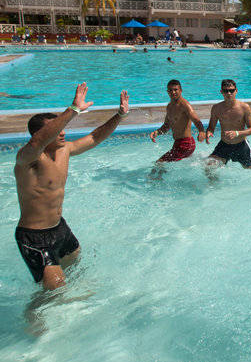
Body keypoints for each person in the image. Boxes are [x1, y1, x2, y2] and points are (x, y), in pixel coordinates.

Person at [14, 83, 129, 290]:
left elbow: (94, 137)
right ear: (41, 135)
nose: (63, 133)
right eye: (57, 129)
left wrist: (119, 116)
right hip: (34, 237)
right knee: (55, 291)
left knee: (77, 269)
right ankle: (36, 312)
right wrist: (73, 109)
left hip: (60, 228)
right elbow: (36, 143)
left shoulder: (64, 151)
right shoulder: (28, 159)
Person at [150, 80, 206, 163]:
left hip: (186, 144)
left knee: (160, 163)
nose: (173, 92)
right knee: (162, 163)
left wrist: (201, 131)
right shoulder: (169, 106)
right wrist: (157, 132)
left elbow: (196, 119)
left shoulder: (184, 105)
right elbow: (166, 125)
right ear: (167, 92)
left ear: (181, 91)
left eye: (175, 90)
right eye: (170, 90)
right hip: (177, 143)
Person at [205, 79, 251, 169]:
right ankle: (214, 179)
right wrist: (209, 132)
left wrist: (237, 133)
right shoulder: (216, 108)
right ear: (221, 92)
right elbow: (211, 127)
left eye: (231, 91)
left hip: (241, 145)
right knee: (208, 166)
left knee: (250, 171)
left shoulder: (244, 108)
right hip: (224, 145)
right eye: (226, 91)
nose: (229, 93)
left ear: (236, 91)